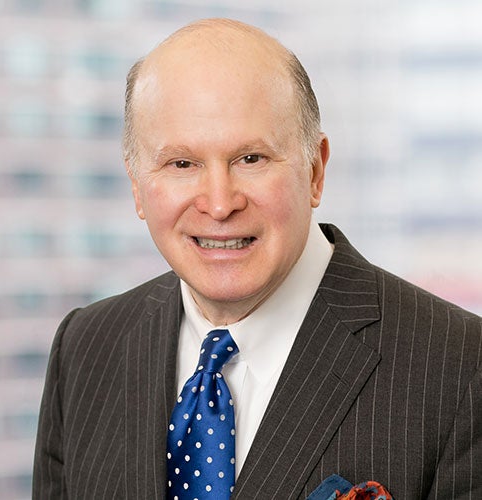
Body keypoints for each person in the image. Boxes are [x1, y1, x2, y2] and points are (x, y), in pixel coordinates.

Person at [33, 18, 482, 500]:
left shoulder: (459, 368)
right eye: (181, 164)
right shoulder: (84, 348)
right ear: (137, 186)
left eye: (251, 159)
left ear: (315, 170)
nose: (219, 204)